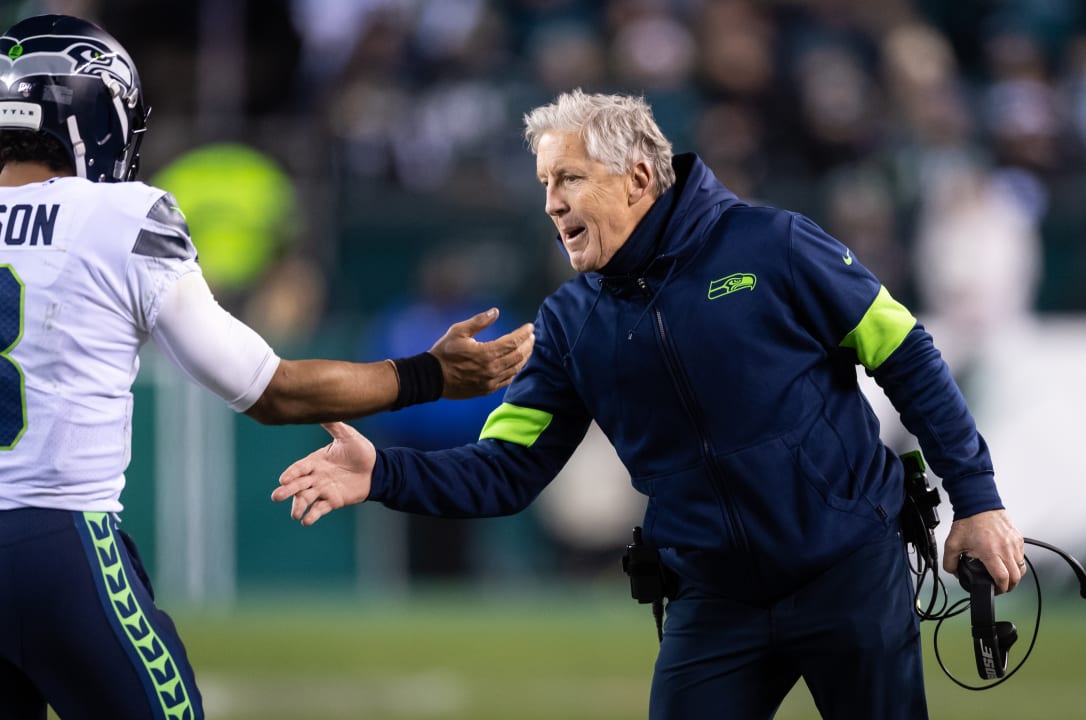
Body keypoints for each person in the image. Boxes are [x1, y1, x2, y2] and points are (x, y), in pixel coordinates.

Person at [273, 89, 1025, 720]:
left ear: (635, 178)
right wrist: (382, 474)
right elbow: (506, 471)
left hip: (847, 573)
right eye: (543, 184)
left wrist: (978, 501)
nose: (550, 202)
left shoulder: (774, 245)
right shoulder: (570, 325)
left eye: (567, 179)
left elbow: (908, 357)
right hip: (714, 600)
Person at [0, 14, 533, 720]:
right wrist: (429, 375)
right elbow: (268, 389)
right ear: (93, 111)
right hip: (57, 543)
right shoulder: (119, 215)